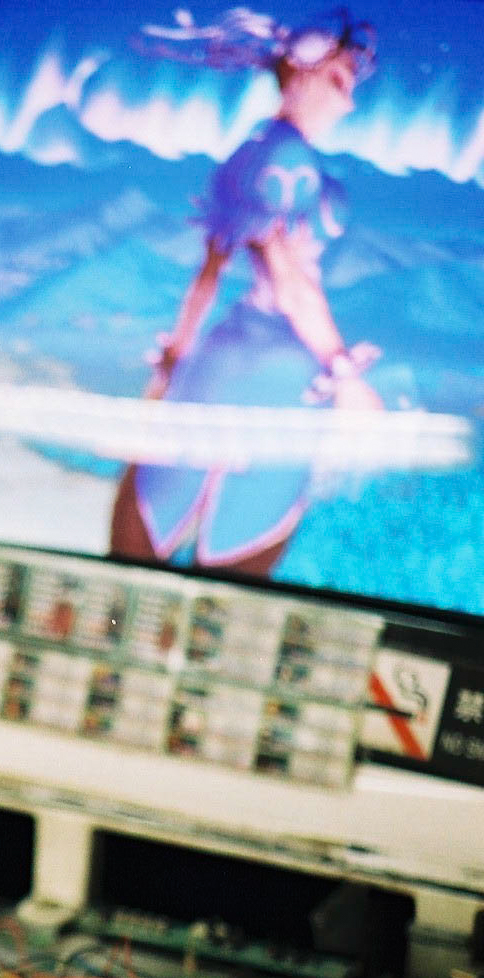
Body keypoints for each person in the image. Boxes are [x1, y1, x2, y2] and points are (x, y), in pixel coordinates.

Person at [109, 9, 382, 577]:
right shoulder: (290, 162)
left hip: (219, 360)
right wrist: (346, 375)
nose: (347, 103)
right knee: (233, 585)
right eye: (337, 82)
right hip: (280, 379)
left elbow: (206, 277)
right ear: (298, 72)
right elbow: (290, 282)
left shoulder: (250, 151)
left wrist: (174, 361)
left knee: (142, 552)